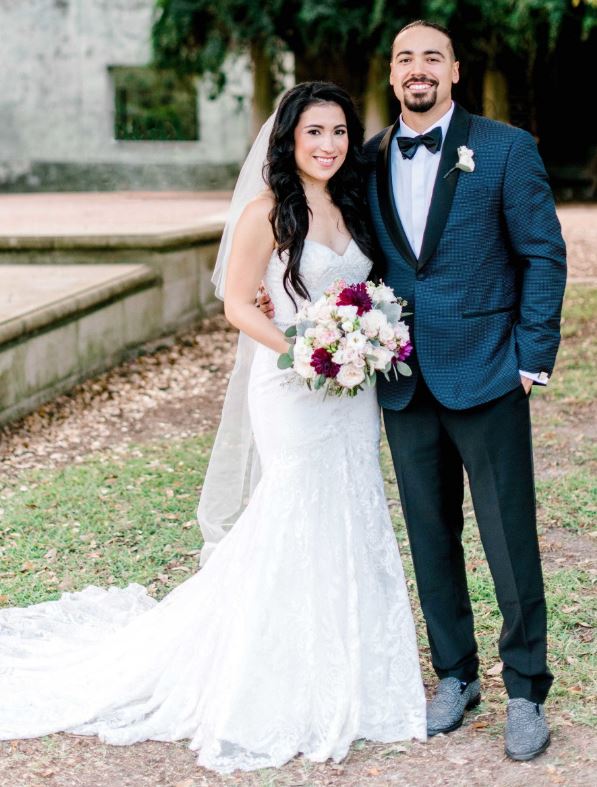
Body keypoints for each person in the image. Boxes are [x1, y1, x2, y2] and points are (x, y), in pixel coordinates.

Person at [0, 82, 427, 774]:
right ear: (288, 139)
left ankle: (354, 666)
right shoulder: (267, 210)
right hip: (290, 381)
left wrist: (362, 341)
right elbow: (235, 302)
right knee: (292, 506)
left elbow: (367, 289)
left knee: (353, 505)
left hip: (352, 387)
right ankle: (273, 668)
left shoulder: (353, 204)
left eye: (339, 132)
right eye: (313, 132)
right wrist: (298, 350)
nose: (327, 144)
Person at [364, 20, 567, 761]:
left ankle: (523, 688)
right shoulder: (370, 157)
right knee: (429, 533)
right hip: (402, 377)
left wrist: (529, 355)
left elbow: (543, 254)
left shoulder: (506, 149)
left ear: (453, 71)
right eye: (403, 59)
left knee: (508, 536)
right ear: (392, 76)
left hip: (488, 369)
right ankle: (454, 674)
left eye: (430, 58)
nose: (417, 70)